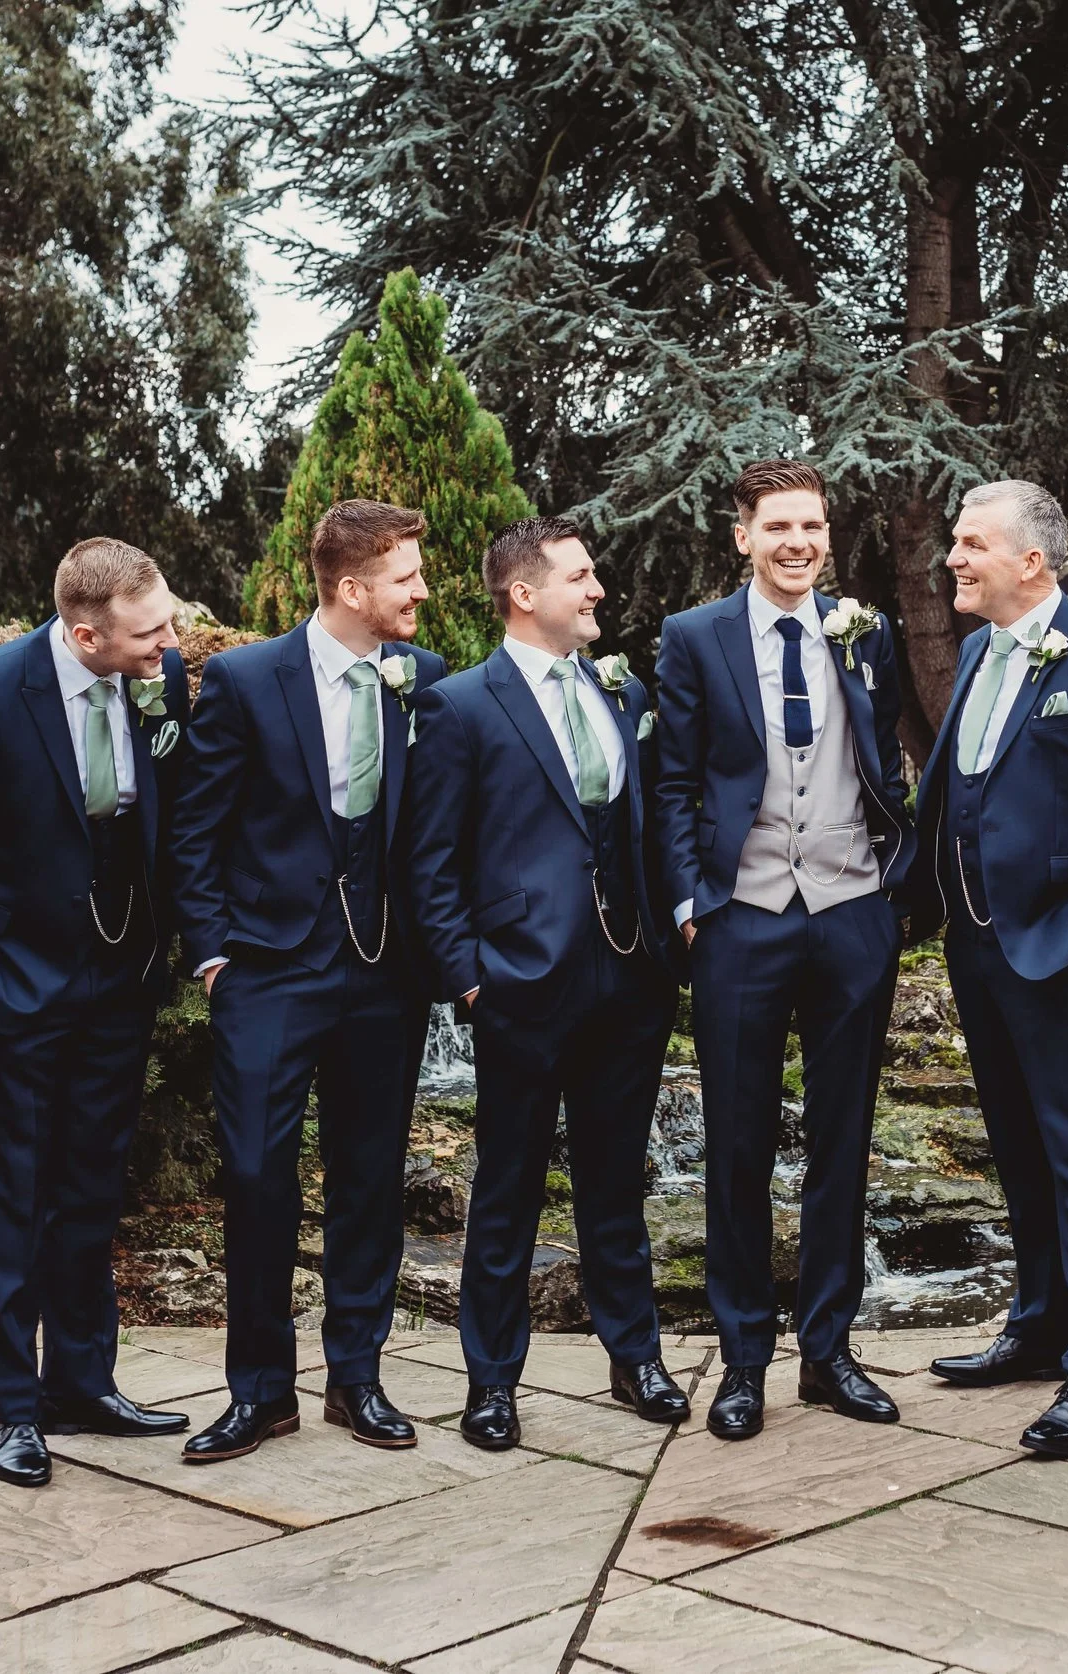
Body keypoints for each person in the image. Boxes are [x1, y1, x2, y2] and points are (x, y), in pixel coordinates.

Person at [167, 501, 445, 1461]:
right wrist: (211, 951)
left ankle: (357, 1381)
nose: (420, 591)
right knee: (255, 1175)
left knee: (369, 1181)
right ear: (354, 587)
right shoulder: (247, 679)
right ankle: (260, 1392)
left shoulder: (424, 680)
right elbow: (195, 825)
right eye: (406, 576)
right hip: (269, 972)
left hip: (385, 974)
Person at [0, 538, 195, 1488]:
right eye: (151, 629)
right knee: (11, 1205)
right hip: (13, 992)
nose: (172, 640)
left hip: (121, 985)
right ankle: (15, 1411)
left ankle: (84, 1384)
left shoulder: (164, 680)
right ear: (85, 632)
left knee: (90, 1192)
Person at [404, 516, 688, 1450]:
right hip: (520, 986)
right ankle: (492, 1382)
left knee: (616, 1181)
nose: (598, 589)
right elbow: (432, 857)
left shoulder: (621, 688)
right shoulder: (462, 705)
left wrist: (662, 950)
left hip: (628, 979)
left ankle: (635, 1356)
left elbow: (642, 831)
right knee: (508, 1187)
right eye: (581, 576)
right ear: (525, 594)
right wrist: (470, 981)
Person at [652, 461, 917, 1441]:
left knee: (843, 1141)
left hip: (851, 911)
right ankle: (743, 1361)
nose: (798, 542)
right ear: (742, 537)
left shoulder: (867, 632)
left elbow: (884, 757)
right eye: (778, 527)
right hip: (742, 916)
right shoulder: (694, 639)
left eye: (812, 525)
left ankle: (829, 1353)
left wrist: (891, 888)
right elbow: (671, 780)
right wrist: (691, 903)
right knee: (737, 1146)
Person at [907, 480, 1068, 1460]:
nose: (953, 560)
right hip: (977, 947)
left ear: (1030, 561)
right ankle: (1038, 1323)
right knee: (1017, 1148)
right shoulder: (978, 651)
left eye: (971, 545)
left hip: (1061, 949)